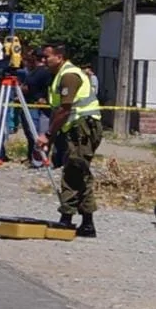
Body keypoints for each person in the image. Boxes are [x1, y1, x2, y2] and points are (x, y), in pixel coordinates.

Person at [36, 43, 103, 238]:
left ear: (59, 56)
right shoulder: (58, 76)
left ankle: (68, 218)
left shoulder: (69, 76)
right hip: (74, 128)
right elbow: (59, 111)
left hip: (82, 127)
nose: (43, 61)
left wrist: (48, 135)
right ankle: (86, 222)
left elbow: (65, 109)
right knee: (77, 171)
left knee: (75, 171)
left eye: (46, 57)